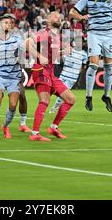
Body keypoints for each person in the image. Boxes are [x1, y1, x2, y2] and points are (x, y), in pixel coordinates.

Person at [26, 12, 76, 141]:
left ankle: (53, 127)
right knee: (45, 101)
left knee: (70, 99)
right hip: (41, 70)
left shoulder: (57, 37)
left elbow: (52, 56)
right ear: (48, 20)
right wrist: (39, 56)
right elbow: (26, 44)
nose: (58, 18)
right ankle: (35, 134)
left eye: (59, 17)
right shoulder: (44, 33)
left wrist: (64, 52)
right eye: (54, 16)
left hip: (51, 74)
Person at [49, 40, 87, 114]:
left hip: (72, 78)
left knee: (62, 94)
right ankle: (45, 103)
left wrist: (79, 75)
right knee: (53, 90)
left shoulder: (84, 54)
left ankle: (54, 107)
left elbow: (83, 66)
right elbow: (61, 60)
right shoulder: (69, 50)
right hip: (63, 75)